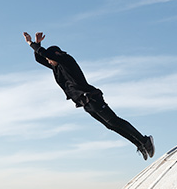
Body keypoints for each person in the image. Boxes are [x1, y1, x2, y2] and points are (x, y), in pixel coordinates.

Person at [23, 31, 155, 159]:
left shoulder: (66, 60)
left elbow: (45, 54)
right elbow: (39, 58)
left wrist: (30, 43)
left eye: (50, 59)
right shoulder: (57, 67)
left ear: (57, 54)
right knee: (110, 125)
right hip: (84, 102)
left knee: (114, 120)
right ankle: (139, 144)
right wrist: (37, 44)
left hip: (92, 97)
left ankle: (145, 140)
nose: (49, 61)